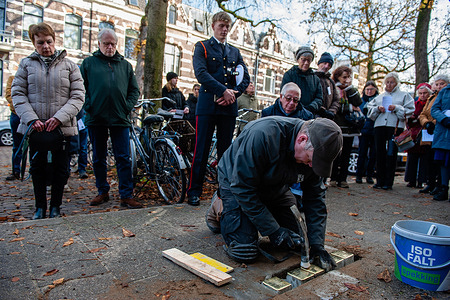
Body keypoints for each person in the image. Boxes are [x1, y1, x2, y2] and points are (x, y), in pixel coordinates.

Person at [217, 117, 343, 267]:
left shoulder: (315, 155)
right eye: (310, 160)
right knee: (245, 250)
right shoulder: (263, 134)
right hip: (236, 183)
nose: (311, 166)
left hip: (275, 186)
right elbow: (242, 187)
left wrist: (317, 245)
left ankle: (262, 211)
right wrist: (273, 230)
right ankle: (218, 207)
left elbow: (315, 199)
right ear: (302, 140)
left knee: (297, 240)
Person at [11, 23, 85, 219]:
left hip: (62, 128)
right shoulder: (26, 64)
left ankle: (55, 207)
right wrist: (31, 119)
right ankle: (39, 207)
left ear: (55, 41)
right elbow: (18, 94)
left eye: (49, 41)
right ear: (34, 44)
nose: (46, 46)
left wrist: (59, 118)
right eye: (40, 42)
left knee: (61, 169)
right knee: (37, 168)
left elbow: (78, 96)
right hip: (37, 128)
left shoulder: (69, 66)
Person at [187, 11, 250, 206]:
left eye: (227, 26)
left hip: (228, 109)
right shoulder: (202, 47)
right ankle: (194, 191)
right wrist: (224, 91)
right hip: (207, 107)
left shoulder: (235, 52)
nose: (224, 30)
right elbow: (201, 74)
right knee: (201, 150)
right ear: (213, 26)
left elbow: (245, 78)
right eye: (221, 25)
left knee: (226, 152)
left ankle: (224, 191)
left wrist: (234, 94)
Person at [80, 28, 142, 209]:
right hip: (96, 117)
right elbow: (80, 88)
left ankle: (126, 194)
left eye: (113, 44)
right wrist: (89, 106)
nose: (110, 47)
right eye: (106, 43)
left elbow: (134, 90)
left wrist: (126, 106)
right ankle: (102, 191)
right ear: (99, 44)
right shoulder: (89, 64)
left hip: (119, 117)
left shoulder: (125, 66)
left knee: (123, 157)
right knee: (99, 157)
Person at [368, 72, 415, 190]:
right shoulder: (379, 97)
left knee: (391, 153)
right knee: (380, 153)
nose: (389, 84)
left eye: (392, 82)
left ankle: (388, 182)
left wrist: (397, 108)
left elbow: (410, 110)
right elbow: (370, 111)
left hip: (394, 127)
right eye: (387, 82)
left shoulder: (404, 95)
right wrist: (378, 109)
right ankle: (379, 180)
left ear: (396, 83)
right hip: (380, 126)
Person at [329, 66, 362, 188]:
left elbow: (358, 102)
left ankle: (343, 179)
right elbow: (335, 106)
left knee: (346, 154)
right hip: (337, 126)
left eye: (349, 77)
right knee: (335, 153)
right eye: (344, 77)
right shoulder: (334, 88)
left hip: (350, 127)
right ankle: (333, 178)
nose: (347, 79)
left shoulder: (351, 89)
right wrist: (349, 108)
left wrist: (350, 88)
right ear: (338, 76)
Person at [418, 75, 449, 194]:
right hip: (428, 132)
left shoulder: (446, 96)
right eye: (437, 84)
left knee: (440, 160)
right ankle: (430, 183)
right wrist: (426, 123)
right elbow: (423, 114)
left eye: (442, 84)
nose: (439, 86)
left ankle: (440, 184)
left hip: (440, 130)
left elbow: (442, 113)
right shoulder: (431, 98)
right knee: (429, 159)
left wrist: (435, 123)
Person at [404, 83, 431, 188]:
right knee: (412, 158)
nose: (423, 95)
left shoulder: (430, 104)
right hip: (414, 134)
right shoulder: (415, 104)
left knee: (424, 158)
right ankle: (411, 179)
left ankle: (421, 180)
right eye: (421, 93)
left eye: (425, 93)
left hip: (425, 133)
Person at [281, 46, 323, 114]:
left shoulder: (315, 79)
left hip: (310, 113)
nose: (306, 63)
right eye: (303, 59)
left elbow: (319, 98)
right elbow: (284, 94)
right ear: (298, 60)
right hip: (292, 113)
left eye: (308, 60)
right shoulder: (289, 75)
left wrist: (311, 107)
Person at [356, 81, 378, 184]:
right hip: (364, 130)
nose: (369, 91)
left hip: (375, 130)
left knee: (373, 154)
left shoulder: (378, 100)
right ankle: (359, 175)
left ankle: (369, 175)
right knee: (362, 153)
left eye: (371, 89)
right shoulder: (360, 101)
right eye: (367, 89)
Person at [430, 83, 450, 201]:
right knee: (443, 162)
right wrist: (444, 119)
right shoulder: (445, 91)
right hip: (444, 130)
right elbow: (435, 109)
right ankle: (443, 188)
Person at [5, 75, 22, 181]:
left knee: (35, 144)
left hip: (32, 115)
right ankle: (16, 171)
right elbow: (9, 95)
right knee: (17, 144)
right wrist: (20, 108)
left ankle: (34, 171)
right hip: (16, 114)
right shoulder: (13, 78)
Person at [315, 52, 339, 120]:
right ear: (319, 63)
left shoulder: (331, 82)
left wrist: (332, 111)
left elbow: (336, 99)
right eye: (324, 63)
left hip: (328, 117)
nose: (326, 66)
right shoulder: (312, 78)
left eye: (329, 65)